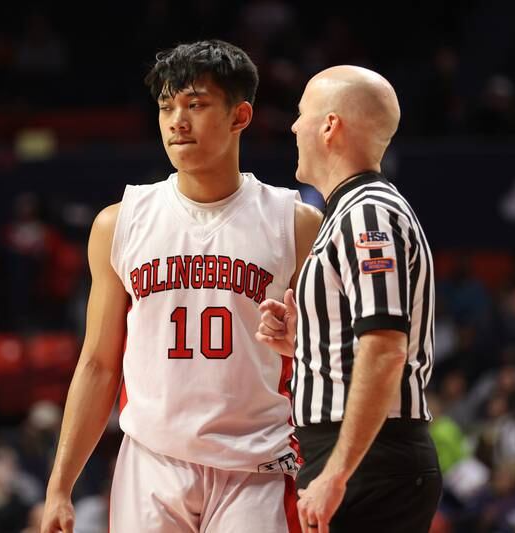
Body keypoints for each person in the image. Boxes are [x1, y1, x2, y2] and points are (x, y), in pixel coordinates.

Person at [41, 40, 321, 533]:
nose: (177, 121)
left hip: (257, 465)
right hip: (152, 462)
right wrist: (60, 485)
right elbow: (99, 363)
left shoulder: (294, 224)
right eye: (167, 107)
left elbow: (332, 359)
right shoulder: (119, 223)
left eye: (196, 104)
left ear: (240, 116)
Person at [257, 65, 442, 532]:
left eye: (302, 114)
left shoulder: (367, 214)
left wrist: (338, 473)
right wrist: (309, 345)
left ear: (329, 126)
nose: (294, 126)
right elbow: (368, 342)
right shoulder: (351, 210)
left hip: (367, 462)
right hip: (363, 457)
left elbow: (384, 348)